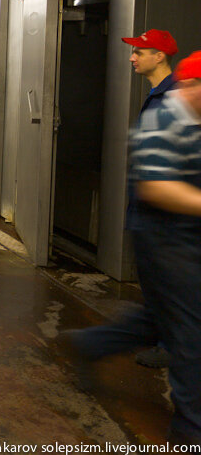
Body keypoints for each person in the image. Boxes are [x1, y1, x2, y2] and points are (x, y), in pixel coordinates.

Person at [61, 51, 201, 445]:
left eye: (138, 51)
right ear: (191, 85)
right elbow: (156, 186)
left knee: (162, 318)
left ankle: (89, 343)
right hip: (164, 238)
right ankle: (191, 429)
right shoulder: (163, 118)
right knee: (191, 330)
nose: (132, 57)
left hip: (190, 235)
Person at [121, 29, 178, 369]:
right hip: (148, 207)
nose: (133, 57)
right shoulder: (158, 94)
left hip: (161, 213)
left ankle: (170, 346)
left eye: (140, 52)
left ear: (160, 56)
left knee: (164, 282)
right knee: (154, 280)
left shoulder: (172, 97)